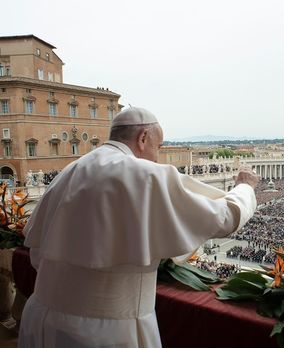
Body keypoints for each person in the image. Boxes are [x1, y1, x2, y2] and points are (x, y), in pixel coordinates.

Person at [18, 107, 259, 348]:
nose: (157, 156)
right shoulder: (144, 174)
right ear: (143, 138)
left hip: (41, 318)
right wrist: (244, 188)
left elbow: (39, 255)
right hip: (104, 331)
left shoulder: (71, 170)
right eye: (159, 146)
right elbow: (223, 218)